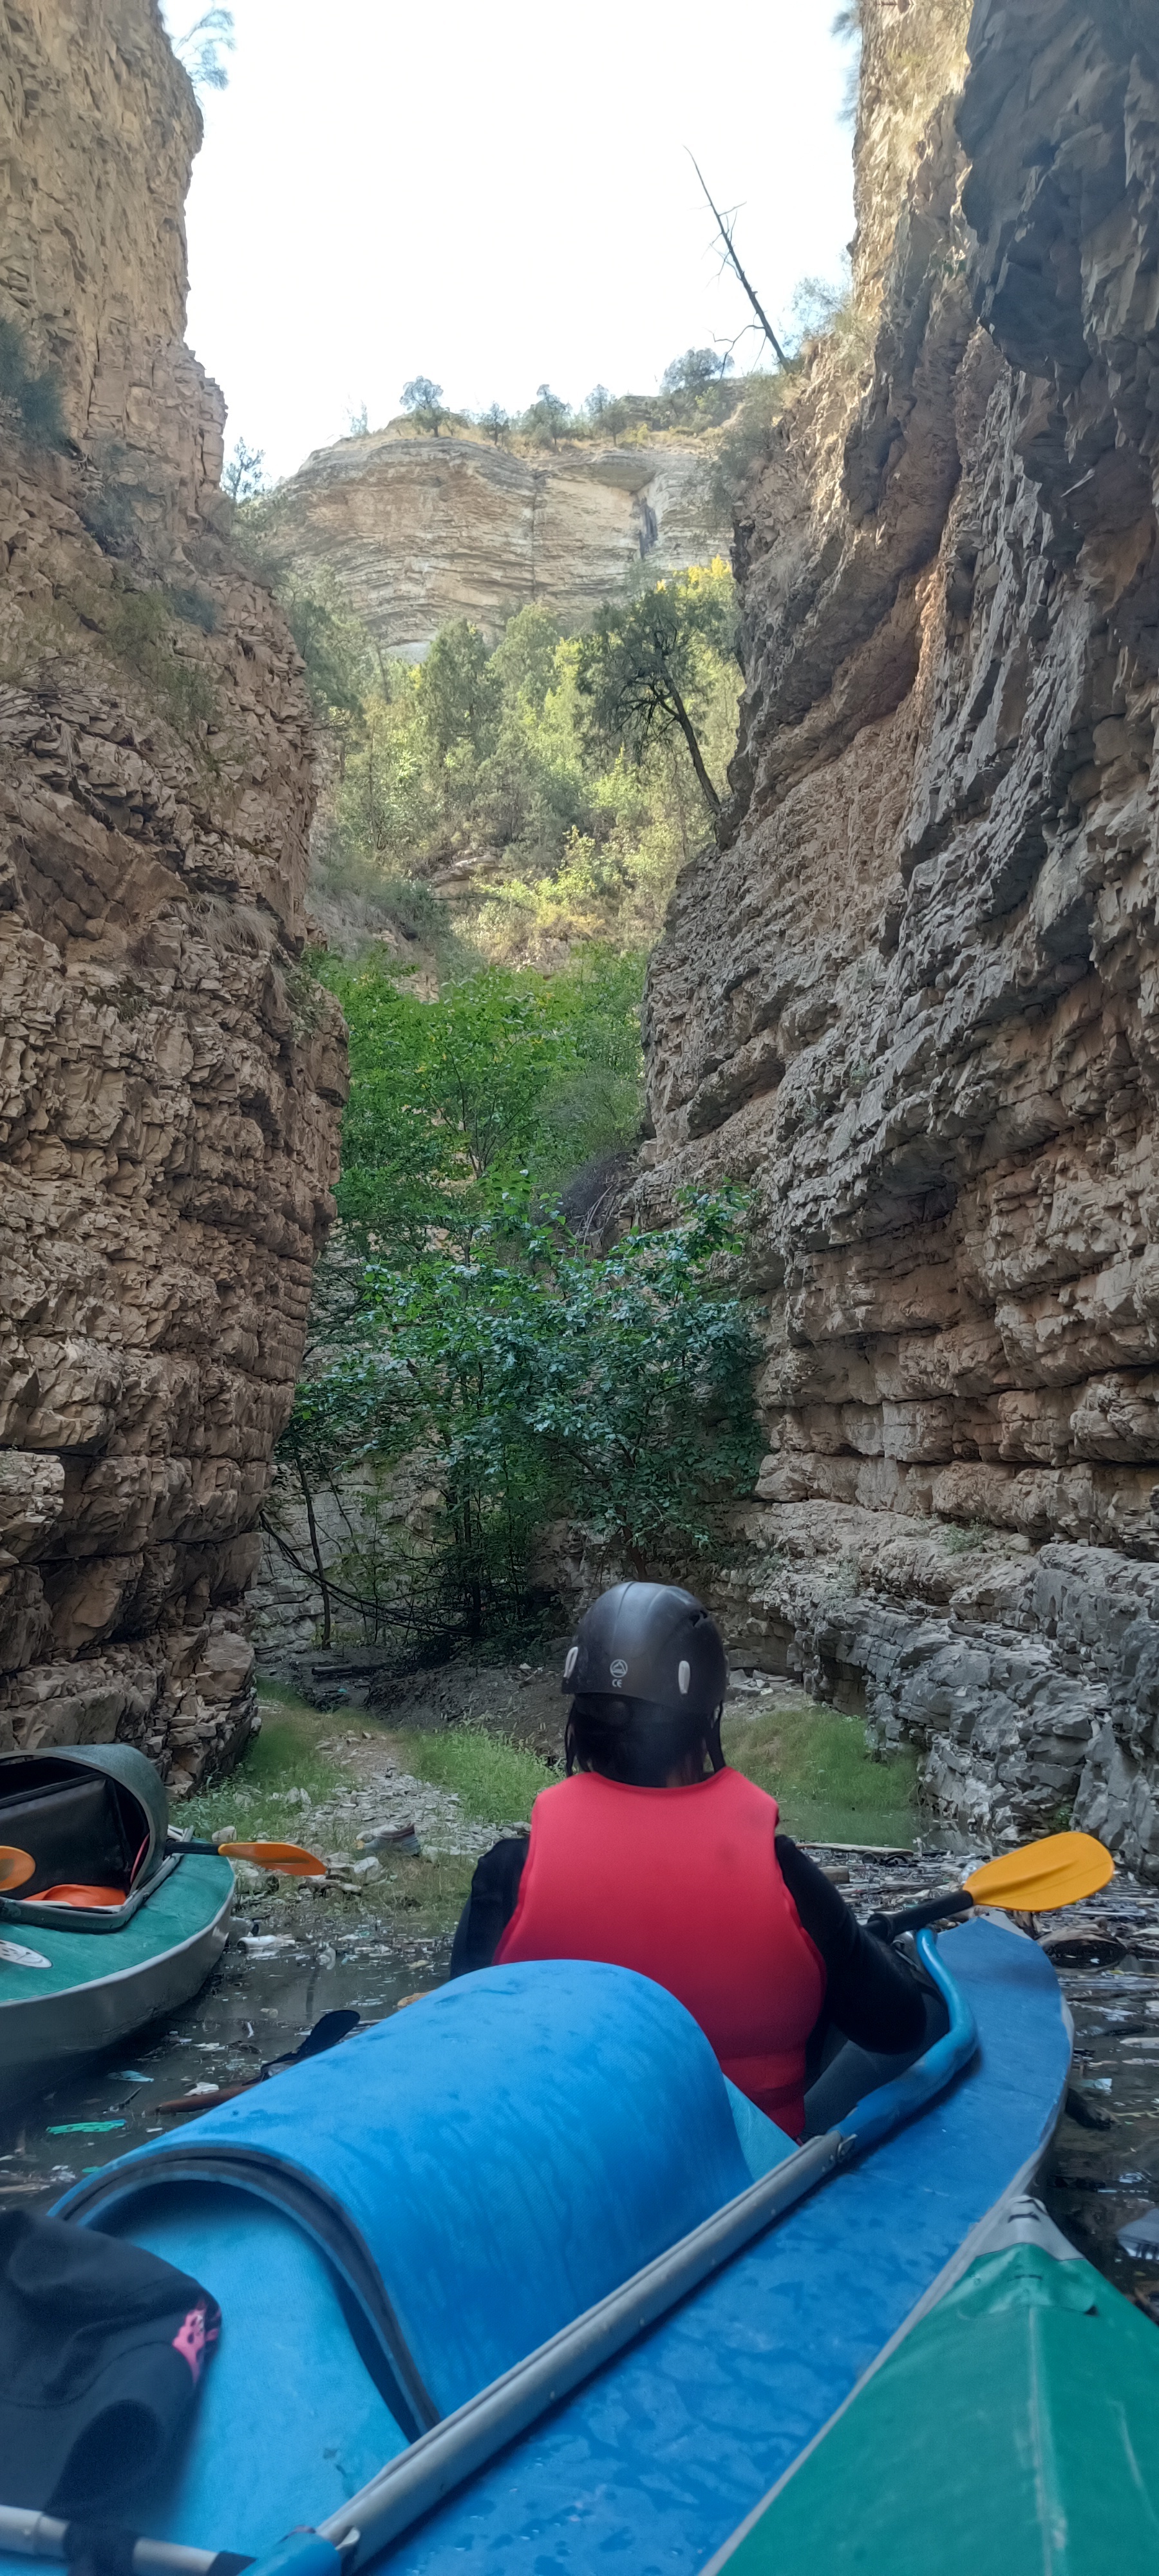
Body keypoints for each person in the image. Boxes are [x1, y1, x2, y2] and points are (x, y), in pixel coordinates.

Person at [449, 1580, 930, 2139]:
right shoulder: (780, 1874)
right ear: (707, 1723)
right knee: (931, 2009)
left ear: (578, 1727)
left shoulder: (509, 1874)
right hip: (751, 2189)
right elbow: (900, 2028)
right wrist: (853, 1945)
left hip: (565, 2186)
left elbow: (463, 2049)